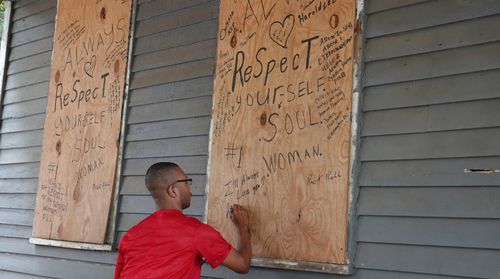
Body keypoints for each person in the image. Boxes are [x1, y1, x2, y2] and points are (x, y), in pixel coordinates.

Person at [114, 162, 252, 278]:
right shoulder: (195, 231)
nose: (190, 189)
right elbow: (242, 264)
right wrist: (242, 227)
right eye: (186, 182)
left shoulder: (130, 236)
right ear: (173, 190)